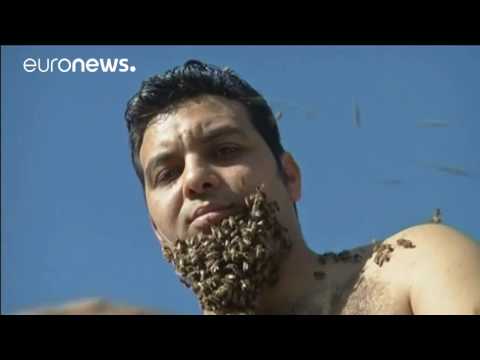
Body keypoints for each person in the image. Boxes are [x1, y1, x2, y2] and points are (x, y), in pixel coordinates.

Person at [124, 59, 480, 315]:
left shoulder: (415, 267)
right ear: (156, 230)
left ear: (289, 176)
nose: (194, 179)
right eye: (168, 173)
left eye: (225, 150)